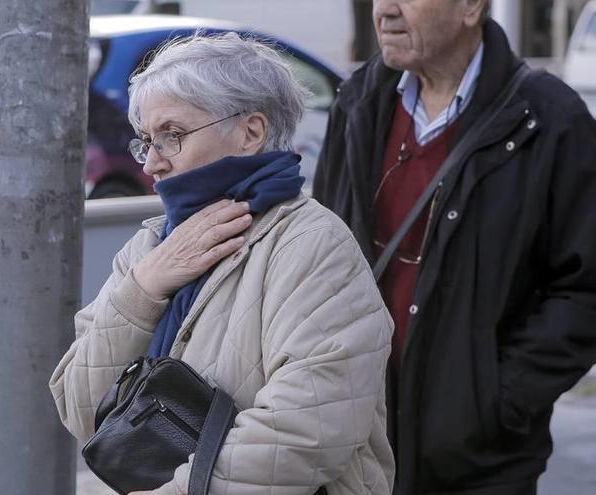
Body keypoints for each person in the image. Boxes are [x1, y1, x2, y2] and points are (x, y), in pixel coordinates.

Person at [50, 33, 395, 495]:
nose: (152, 163)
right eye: (146, 141)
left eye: (172, 135)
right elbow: (79, 407)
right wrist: (144, 289)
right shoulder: (150, 246)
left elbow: (304, 433)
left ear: (251, 132)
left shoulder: (313, 244)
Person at [312, 1, 596, 494]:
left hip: (478, 462)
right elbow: (321, 252)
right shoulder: (356, 101)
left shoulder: (549, 119)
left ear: (470, 7)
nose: (386, 11)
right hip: (356, 444)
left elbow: (585, 288)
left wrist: (495, 400)